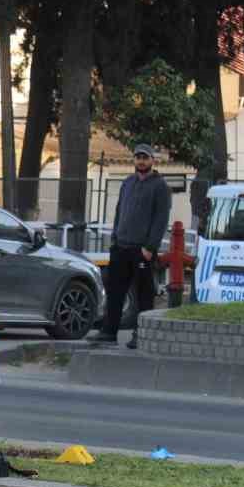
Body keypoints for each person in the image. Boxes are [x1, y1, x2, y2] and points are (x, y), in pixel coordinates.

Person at [93, 142, 171, 349]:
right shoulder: (128, 182)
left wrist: (150, 247)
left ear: (152, 160)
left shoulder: (160, 186)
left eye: (145, 157)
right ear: (134, 160)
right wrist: (114, 239)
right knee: (115, 292)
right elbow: (119, 212)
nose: (141, 161)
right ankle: (109, 332)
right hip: (121, 247)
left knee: (144, 295)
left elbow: (161, 219)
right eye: (138, 157)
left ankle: (141, 334)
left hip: (141, 251)